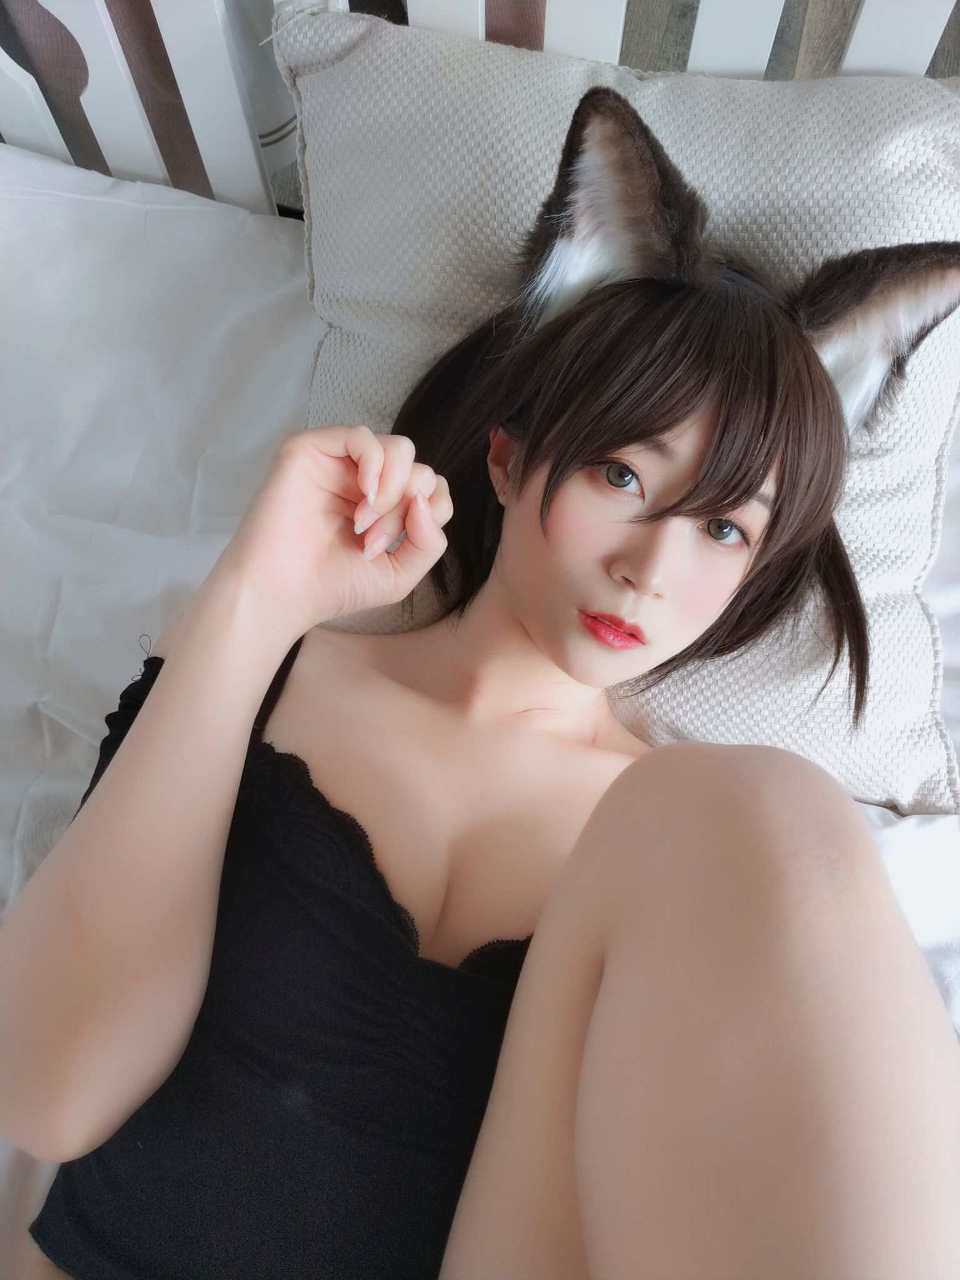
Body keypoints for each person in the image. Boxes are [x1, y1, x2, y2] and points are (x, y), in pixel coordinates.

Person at [11, 86, 960, 1279]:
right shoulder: (262, 674)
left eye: (725, 529)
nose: (651, 568)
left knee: (775, 806)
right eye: (623, 475)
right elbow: (46, 1092)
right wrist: (253, 599)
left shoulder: (691, 849)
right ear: (507, 460)